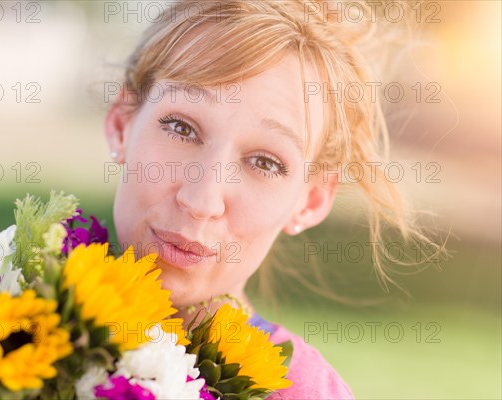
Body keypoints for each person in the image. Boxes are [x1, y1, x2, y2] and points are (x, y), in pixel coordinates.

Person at [102, 1, 432, 398]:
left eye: (265, 162)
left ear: (309, 201)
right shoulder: (17, 301)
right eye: (181, 128)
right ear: (122, 124)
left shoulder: (300, 392)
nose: (202, 199)